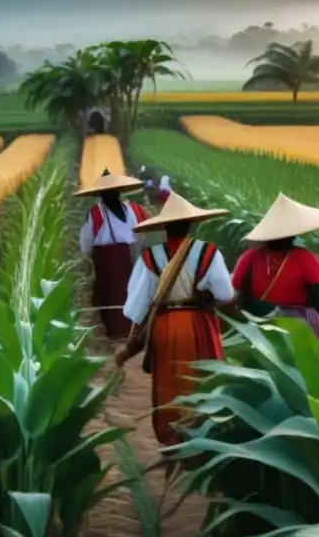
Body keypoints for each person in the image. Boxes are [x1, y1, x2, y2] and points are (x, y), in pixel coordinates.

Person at [114, 193, 234, 461]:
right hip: (200, 324)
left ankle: (172, 441)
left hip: (165, 326)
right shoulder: (208, 252)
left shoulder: (150, 257)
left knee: (169, 381)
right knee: (203, 378)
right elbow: (225, 293)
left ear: (165, 226)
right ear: (192, 224)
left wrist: (134, 339)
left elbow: (137, 306)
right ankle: (203, 443)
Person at [231, 193, 319, 347]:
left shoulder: (250, 257)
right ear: (294, 233)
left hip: (259, 328)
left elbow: (234, 294)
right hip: (301, 330)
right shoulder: (306, 259)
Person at [76, 169, 150, 339]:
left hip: (110, 258)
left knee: (117, 294)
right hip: (123, 256)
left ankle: (122, 332)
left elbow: (86, 242)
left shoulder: (97, 213)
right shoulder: (133, 209)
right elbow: (143, 235)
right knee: (125, 292)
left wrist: (89, 256)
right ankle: (130, 331)